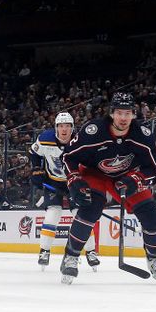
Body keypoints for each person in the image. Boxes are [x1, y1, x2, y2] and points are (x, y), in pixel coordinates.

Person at [59, 92, 156, 284]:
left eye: (128, 113)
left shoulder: (143, 136)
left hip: (126, 177)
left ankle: (155, 259)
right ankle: (71, 256)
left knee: (151, 215)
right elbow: (68, 157)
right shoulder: (93, 131)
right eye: (119, 113)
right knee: (90, 208)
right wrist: (74, 179)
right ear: (111, 113)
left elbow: (155, 168)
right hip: (95, 174)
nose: (124, 118)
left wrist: (136, 180)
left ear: (134, 114)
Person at [30, 112, 99, 270]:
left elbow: (90, 162)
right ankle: (44, 251)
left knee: (80, 216)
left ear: (72, 128)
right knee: (53, 214)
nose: (64, 129)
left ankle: (90, 251)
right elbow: (33, 153)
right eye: (61, 126)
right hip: (53, 182)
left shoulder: (80, 142)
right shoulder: (45, 139)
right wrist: (36, 169)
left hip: (74, 181)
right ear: (56, 127)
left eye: (67, 126)